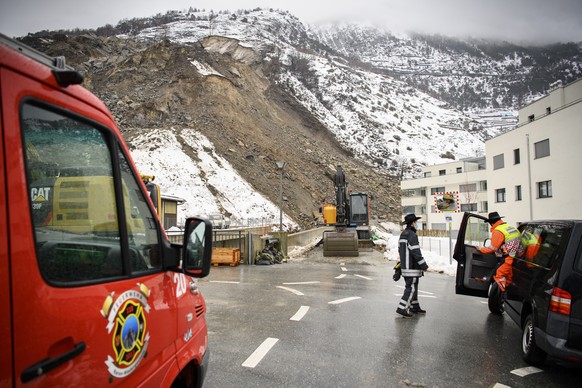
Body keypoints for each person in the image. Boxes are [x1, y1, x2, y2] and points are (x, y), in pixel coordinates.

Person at [478, 212, 523, 292]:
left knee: (500, 274)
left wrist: (481, 249)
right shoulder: (510, 227)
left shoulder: (498, 231)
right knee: (509, 276)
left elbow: (491, 249)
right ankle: (509, 292)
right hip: (519, 257)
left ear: (491, 223)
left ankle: (500, 294)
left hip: (510, 258)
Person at [396, 214, 429, 318]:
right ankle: (402, 307)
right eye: (416, 222)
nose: (417, 224)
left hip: (405, 268)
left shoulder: (403, 234)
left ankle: (414, 306)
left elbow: (399, 250)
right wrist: (424, 265)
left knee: (413, 286)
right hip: (412, 268)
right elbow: (416, 252)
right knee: (411, 288)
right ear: (413, 223)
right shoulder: (412, 235)